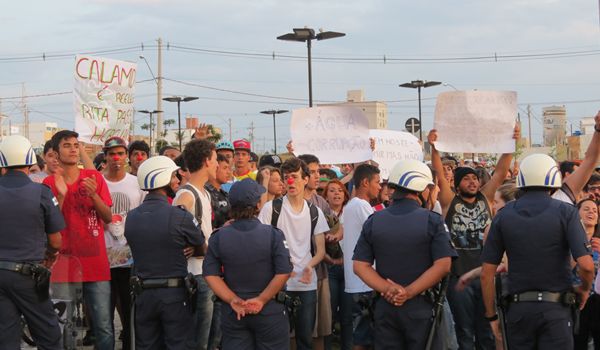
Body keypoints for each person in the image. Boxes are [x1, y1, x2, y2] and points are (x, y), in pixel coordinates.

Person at [481, 153, 595, 350]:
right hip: (556, 311)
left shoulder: (503, 215)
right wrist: (584, 290)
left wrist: (491, 315)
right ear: (553, 178)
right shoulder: (566, 212)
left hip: (518, 311)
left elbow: (486, 274)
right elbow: (586, 266)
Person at [429, 126, 520, 350]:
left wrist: (511, 143)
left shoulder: (486, 198)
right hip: (459, 277)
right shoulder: (450, 201)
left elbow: (500, 171)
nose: (472, 182)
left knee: (488, 330)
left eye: (474, 178)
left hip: (486, 276)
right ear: (457, 184)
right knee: (464, 331)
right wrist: (434, 147)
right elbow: (440, 175)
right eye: (466, 179)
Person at [353, 159, 457, 349]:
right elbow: (444, 265)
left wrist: (387, 288)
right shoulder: (432, 220)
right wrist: (408, 292)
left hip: (385, 307)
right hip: (420, 307)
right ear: (421, 188)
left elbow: (360, 266)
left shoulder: (374, 220)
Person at [43, 130, 114, 350]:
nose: (73, 149)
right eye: (67, 145)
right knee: (64, 325)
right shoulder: (47, 183)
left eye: (76, 145)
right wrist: (62, 196)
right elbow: (48, 223)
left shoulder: (94, 178)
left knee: (103, 325)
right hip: (62, 263)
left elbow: (108, 218)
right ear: (55, 153)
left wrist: (93, 195)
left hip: (96, 262)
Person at [125, 156, 205, 350]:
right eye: (174, 176)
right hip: (174, 296)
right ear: (162, 179)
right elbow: (202, 247)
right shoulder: (179, 216)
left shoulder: (132, 217)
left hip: (143, 296)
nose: (178, 180)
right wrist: (193, 248)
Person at [203, 178, 293, 350]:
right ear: (258, 205)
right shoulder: (272, 235)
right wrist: (261, 299)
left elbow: (210, 274)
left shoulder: (219, 236)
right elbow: (283, 272)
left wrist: (233, 300)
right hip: (269, 310)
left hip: (235, 312)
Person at [0, 135, 65, 349]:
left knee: (6, 337)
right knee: (48, 334)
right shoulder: (41, 192)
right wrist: (49, 257)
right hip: (29, 275)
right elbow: (56, 241)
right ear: (30, 161)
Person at [258, 157, 329, 350]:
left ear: (305, 179)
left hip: (306, 284)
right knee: (278, 338)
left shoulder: (315, 212)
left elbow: (321, 250)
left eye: (295, 177)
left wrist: (310, 265)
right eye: (286, 177)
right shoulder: (271, 209)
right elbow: (262, 245)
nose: (290, 181)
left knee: (305, 338)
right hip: (278, 283)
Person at [172, 139, 218, 350]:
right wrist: (191, 244)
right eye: (216, 159)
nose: (218, 164)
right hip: (195, 275)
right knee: (198, 339)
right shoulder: (186, 194)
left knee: (208, 337)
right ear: (207, 161)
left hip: (205, 273)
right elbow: (174, 226)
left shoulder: (204, 192)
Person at [101, 136, 145, 350]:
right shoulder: (98, 181)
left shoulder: (136, 183)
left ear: (126, 157)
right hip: (102, 257)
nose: (116, 158)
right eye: (111, 154)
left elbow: (145, 215)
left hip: (130, 258)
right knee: (104, 313)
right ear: (106, 156)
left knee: (129, 313)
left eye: (120, 153)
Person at [340, 164, 381, 350]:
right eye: (377, 182)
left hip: (357, 282)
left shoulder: (350, 206)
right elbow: (379, 235)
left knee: (361, 336)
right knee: (364, 338)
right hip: (364, 283)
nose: (380, 187)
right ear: (365, 182)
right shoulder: (361, 206)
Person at [298, 154, 334, 348]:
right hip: (296, 275)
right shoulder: (286, 203)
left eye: (318, 171)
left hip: (319, 272)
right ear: (302, 176)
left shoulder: (321, 202)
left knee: (319, 328)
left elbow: (336, 228)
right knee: (296, 331)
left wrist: (333, 237)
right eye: (312, 172)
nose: (317, 176)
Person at [322, 178, 349, 350]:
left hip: (348, 270)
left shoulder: (352, 211)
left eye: (339, 190)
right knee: (328, 314)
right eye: (332, 190)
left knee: (347, 316)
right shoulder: (320, 214)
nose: (336, 193)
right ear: (325, 196)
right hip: (328, 267)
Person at [574, 198, 600, 350]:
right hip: (576, 301)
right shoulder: (567, 241)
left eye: (595, 210)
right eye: (586, 209)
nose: (591, 212)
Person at [205, 153, 232, 230]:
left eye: (229, 168)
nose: (228, 172)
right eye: (225, 168)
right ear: (215, 168)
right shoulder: (205, 193)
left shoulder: (225, 194)